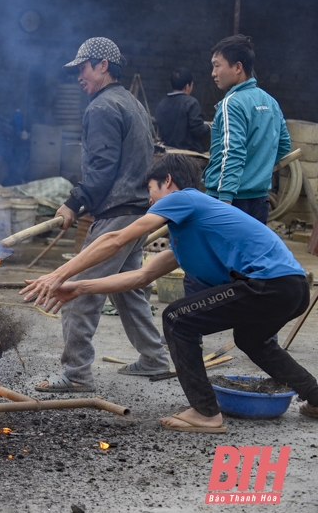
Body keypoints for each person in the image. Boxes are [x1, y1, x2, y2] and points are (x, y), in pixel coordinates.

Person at [22, 153, 318, 432]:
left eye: (150, 189)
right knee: (252, 340)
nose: (149, 199)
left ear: (167, 181)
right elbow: (140, 276)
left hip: (269, 283)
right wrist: (77, 287)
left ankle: (205, 413)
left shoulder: (184, 198)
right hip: (289, 289)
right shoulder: (190, 230)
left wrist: (58, 274)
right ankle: (316, 398)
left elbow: (115, 238)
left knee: (178, 319)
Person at [33, 37, 169, 393]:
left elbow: (102, 168)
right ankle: (154, 358)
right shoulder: (133, 104)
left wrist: (73, 203)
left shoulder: (102, 107)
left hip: (118, 215)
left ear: (103, 65)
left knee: (77, 290)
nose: (79, 75)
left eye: (83, 67)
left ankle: (76, 374)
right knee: (130, 289)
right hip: (137, 211)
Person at [203, 35, 290, 224]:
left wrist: (225, 200)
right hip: (259, 201)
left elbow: (231, 152)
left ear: (238, 67)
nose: (213, 73)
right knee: (249, 253)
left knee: (219, 253)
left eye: (217, 65)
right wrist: (257, 169)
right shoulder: (270, 102)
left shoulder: (231, 104)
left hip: (228, 201)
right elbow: (284, 145)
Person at [155, 67, 211, 152]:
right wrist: (209, 127)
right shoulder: (191, 103)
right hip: (189, 155)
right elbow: (198, 130)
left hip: (168, 153)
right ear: (187, 86)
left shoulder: (162, 104)